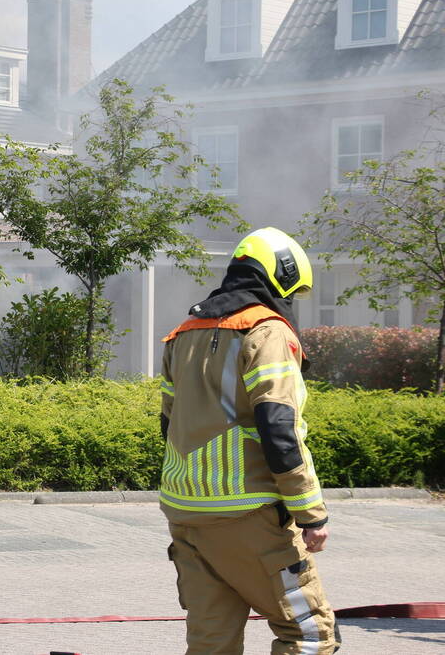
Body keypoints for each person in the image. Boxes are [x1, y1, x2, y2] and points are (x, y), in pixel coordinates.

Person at [159, 227, 340, 654]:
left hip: (187, 513)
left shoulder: (182, 332)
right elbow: (280, 428)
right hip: (249, 513)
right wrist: (310, 513)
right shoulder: (267, 332)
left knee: (211, 642)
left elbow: (168, 424)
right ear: (280, 277)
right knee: (310, 636)